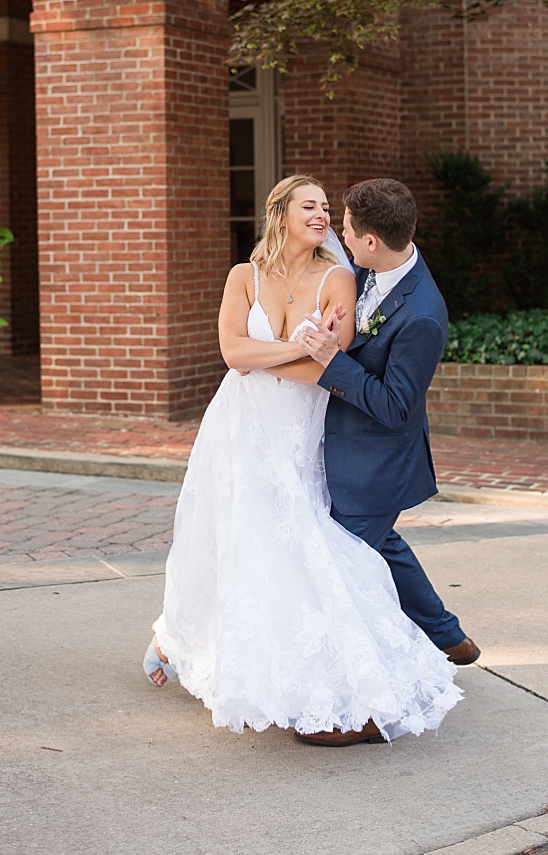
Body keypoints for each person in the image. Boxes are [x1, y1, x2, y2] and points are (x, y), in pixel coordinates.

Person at [142, 174, 462, 745]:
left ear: (365, 241)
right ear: (279, 213)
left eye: (329, 211)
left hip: (303, 428)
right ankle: (186, 639)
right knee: (231, 536)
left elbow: (326, 366)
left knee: (317, 546)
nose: (324, 218)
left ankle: (361, 685)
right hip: (240, 424)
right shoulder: (245, 275)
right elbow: (231, 352)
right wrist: (299, 348)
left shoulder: (345, 279)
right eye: (309, 206)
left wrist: (286, 357)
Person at [293, 179, 481, 730]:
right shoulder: (370, 270)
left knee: (343, 568)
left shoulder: (423, 313)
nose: (338, 235)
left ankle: (371, 700)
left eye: (346, 229)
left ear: (372, 240)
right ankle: (449, 636)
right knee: (384, 544)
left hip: (375, 464)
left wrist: (332, 359)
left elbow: (398, 406)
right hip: (342, 448)